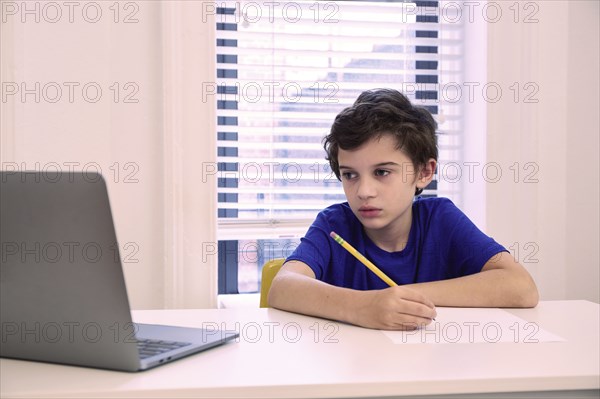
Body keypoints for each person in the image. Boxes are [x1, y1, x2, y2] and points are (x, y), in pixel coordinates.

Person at [268, 88, 539, 330]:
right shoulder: (334, 225)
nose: (364, 191)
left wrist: (401, 298)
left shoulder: (441, 219)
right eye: (350, 175)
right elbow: (282, 287)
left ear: (423, 172)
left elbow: (521, 288)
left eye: (382, 172)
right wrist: (364, 307)